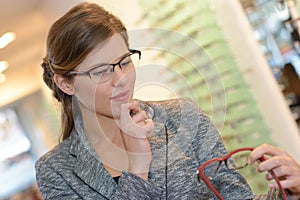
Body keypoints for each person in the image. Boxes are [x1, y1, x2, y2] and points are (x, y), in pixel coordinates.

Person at [36, 2, 300, 199]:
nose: (121, 80)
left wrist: (290, 192)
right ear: (65, 83)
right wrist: (138, 168)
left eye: (124, 62)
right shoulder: (57, 171)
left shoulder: (182, 117)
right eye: (101, 70)